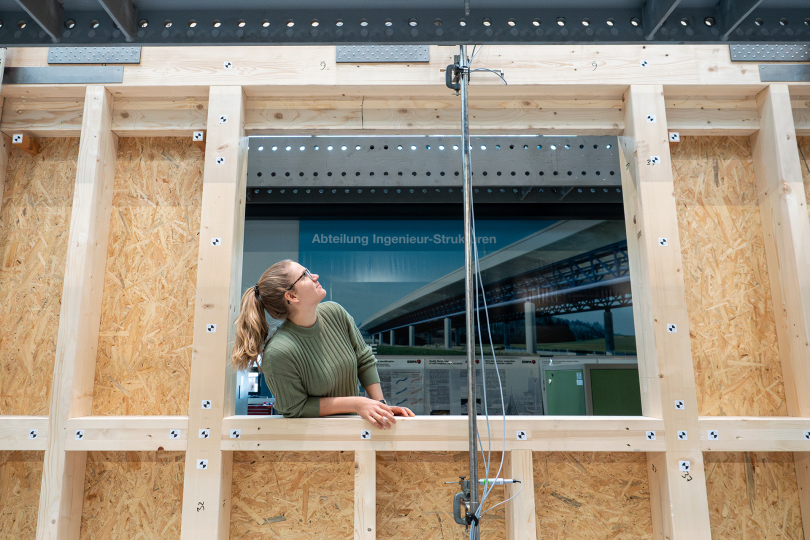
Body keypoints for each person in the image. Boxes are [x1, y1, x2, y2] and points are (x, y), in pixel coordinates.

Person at [231, 260, 415, 429]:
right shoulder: (278, 352)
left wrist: (381, 408)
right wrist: (356, 403)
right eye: (305, 275)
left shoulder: (335, 313)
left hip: (355, 431)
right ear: (292, 296)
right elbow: (295, 407)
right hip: (313, 442)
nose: (315, 276)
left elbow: (364, 360)